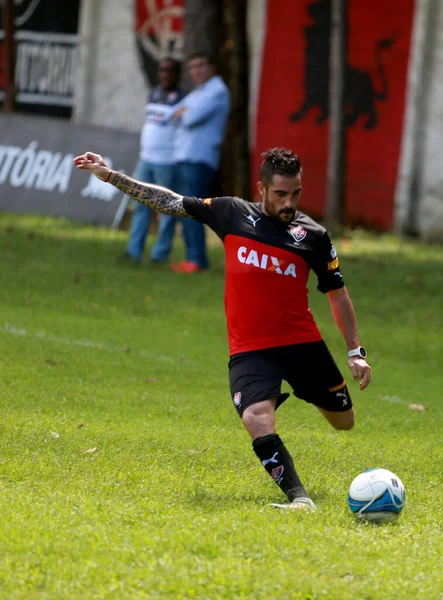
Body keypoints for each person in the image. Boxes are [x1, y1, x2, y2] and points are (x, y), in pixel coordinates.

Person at [73, 147, 372, 511]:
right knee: (255, 417)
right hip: (250, 348)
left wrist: (355, 350)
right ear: (261, 188)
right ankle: (299, 498)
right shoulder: (232, 213)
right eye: (280, 194)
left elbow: (337, 294)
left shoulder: (313, 237)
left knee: (344, 422)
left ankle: (310, 396)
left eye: (296, 194)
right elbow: (170, 202)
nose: (289, 202)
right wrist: (111, 176)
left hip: (302, 344)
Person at [164, 51, 231, 273]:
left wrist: (183, 113)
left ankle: (196, 259)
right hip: (186, 156)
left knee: (192, 209)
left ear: (212, 67)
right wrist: (182, 112)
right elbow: (172, 113)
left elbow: (189, 118)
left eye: (200, 65)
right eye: (192, 67)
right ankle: (193, 257)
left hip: (199, 158)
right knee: (186, 209)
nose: (196, 71)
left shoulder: (217, 91)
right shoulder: (200, 92)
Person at [121, 57, 187, 263]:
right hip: (146, 158)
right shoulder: (154, 93)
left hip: (167, 162)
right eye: (162, 70)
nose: (165, 75)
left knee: (165, 207)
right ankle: (134, 251)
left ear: (177, 74)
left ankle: (160, 254)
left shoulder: (184, 99)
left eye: (169, 71)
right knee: (140, 204)